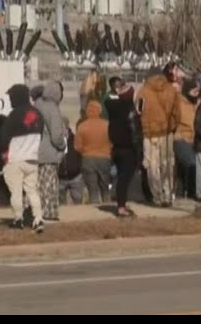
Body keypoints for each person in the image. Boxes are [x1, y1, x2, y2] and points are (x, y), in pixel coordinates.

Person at [1, 84, 45, 231]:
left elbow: (3, 138)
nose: (10, 100)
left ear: (16, 97)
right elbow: (41, 136)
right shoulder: (38, 114)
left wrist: (3, 153)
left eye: (11, 97)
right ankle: (38, 219)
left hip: (16, 159)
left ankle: (18, 219)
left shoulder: (14, 115)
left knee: (16, 192)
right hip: (32, 158)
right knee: (33, 190)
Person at [137, 66, 180, 207]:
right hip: (166, 132)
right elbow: (177, 114)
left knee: (152, 166)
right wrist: (171, 127)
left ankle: (157, 196)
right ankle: (168, 195)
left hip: (149, 134)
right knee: (167, 164)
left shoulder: (143, 91)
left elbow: (138, 110)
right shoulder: (171, 90)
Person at [105, 78, 139, 217]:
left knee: (121, 177)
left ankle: (121, 203)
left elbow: (107, 103)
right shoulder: (129, 111)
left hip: (116, 147)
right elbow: (134, 130)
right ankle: (121, 207)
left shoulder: (113, 107)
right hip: (127, 147)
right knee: (125, 177)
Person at [34, 81, 67, 221]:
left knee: (36, 185)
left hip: (34, 150)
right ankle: (48, 213)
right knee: (49, 185)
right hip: (48, 152)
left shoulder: (37, 104)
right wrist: (62, 145)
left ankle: (34, 212)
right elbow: (56, 135)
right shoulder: (52, 108)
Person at [75, 100, 111, 203]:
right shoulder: (107, 125)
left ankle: (93, 210)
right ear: (100, 111)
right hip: (105, 158)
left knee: (92, 189)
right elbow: (112, 142)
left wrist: (85, 151)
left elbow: (77, 146)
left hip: (88, 159)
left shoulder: (82, 126)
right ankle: (107, 203)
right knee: (105, 187)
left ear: (87, 112)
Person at [173, 78, 199, 199]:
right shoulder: (179, 102)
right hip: (181, 137)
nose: (196, 94)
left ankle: (182, 192)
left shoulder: (196, 104)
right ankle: (190, 192)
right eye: (194, 92)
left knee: (183, 169)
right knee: (191, 164)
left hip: (194, 138)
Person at [58, 117, 84, 205]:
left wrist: (80, 169)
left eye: (62, 128)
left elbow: (82, 155)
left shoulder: (76, 139)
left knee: (78, 203)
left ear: (67, 127)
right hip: (60, 178)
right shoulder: (55, 141)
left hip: (75, 177)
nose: (60, 130)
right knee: (61, 206)